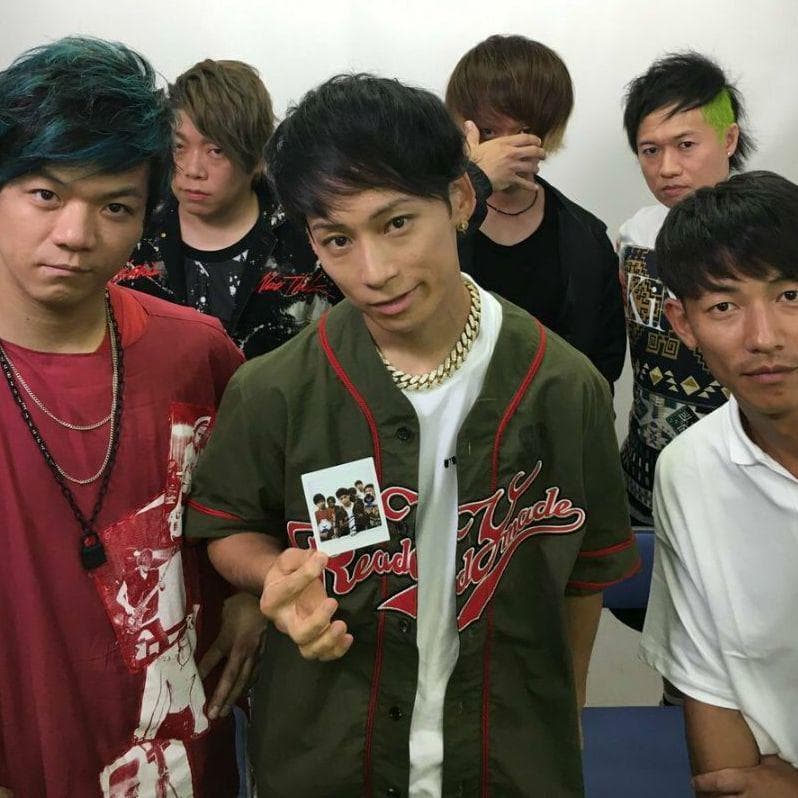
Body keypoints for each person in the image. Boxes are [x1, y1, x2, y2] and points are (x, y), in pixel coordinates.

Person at [184, 73, 639, 797]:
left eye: (397, 223)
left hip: (506, 760)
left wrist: (566, 717)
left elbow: (583, 575)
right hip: (328, 755)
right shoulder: (275, 390)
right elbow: (230, 525)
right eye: (338, 239)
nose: (375, 272)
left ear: (458, 199)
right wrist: (273, 575)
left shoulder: (563, 387)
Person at [0, 37, 265, 797]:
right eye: (45, 194)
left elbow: (268, 503)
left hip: (185, 766)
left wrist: (251, 597)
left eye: (114, 206)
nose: (76, 235)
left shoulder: (197, 353)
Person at [640, 171, 798, 795]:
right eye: (724, 307)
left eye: (789, 295)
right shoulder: (690, 470)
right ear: (683, 323)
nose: (764, 338)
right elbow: (708, 686)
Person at [116, 59, 340, 358]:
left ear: (257, 156)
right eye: (179, 146)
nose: (192, 170)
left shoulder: (307, 239)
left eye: (216, 151)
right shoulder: (133, 231)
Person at [618, 52, 754, 525]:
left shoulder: (770, 238)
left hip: (743, 483)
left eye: (686, 145)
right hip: (644, 478)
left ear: (729, 139)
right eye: (650, 150)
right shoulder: (633, 236)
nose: (668, 168)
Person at [446, 34, 626, 388]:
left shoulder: (585, 237)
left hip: (556, 414)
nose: (505, 148)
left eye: (524, 131)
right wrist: (476, 179)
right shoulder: (437, 220)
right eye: (488, 131)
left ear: (549, 130)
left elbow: (602, 364)